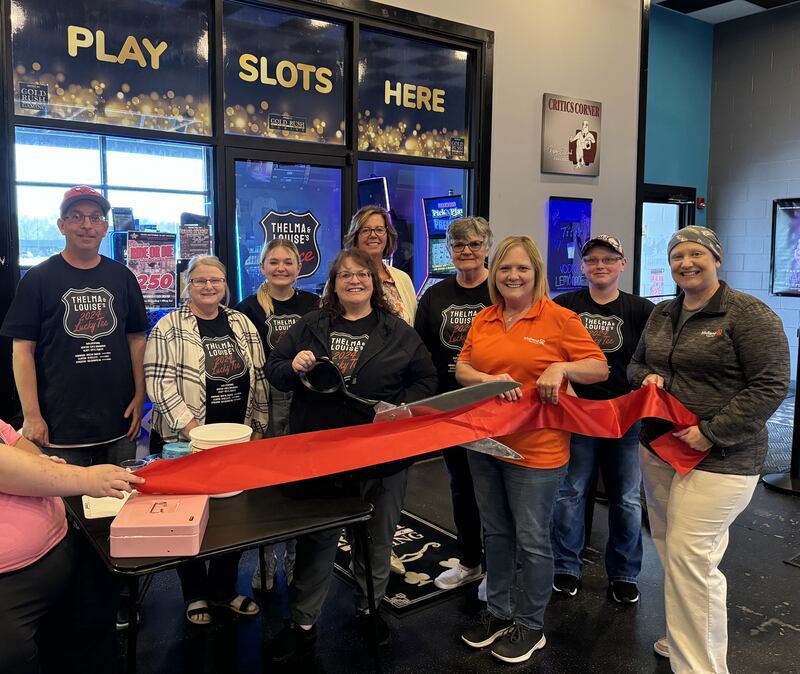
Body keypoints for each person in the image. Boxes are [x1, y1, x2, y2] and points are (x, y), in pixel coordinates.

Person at [628, 226, 789, 673]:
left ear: (716, 259)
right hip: (660, 449)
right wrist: (646, 379)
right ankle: (684, 634)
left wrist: (713, 431)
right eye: (678, 255)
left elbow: (771, 384)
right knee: (673, 550)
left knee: (689, 556)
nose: (686, 263)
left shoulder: (749, 315)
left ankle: (698, 665)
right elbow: (636, 363)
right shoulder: (663, 313)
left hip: (723, 459)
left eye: (696, 253)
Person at [265, 248, 437, 661]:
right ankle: (303, 623)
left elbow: (427, 381)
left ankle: (370, 607)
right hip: (322, 454)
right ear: (334, 283)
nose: (354, 281)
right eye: (345, 275)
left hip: (384, 454)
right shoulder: (310, 325)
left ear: (374, 283)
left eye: (362, 274)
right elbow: (274, 369)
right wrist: (295, 366)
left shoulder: (398, 331)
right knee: (318, 540)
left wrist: (396, 410)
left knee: (378, 538)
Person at [455, 235, 607, 665]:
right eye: (505, 268)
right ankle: (498, 612)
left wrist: (560, 366)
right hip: (483, 441)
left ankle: (531, 624)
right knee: (497, 533)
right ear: (495, 274)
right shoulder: (485, 318)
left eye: (522, 268)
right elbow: (463, 365)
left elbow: (599, 367)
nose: (513, 276)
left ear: (536, 273)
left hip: (536, 450)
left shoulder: (559, 319)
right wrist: (485, 380)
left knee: (534, 540)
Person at [144, 255, 268, 626]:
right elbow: (158, 382)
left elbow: (259, 377)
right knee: (188, 518)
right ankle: (195, 593)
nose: (209, 286)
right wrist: (194, 430)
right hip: (187, 442)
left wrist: (259, 425)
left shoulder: (241, 323)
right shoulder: (169, 327)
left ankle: (224, 590)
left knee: (233, 520)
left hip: (236, 439)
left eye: (216, 280)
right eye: (200, 281)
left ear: (225, 284)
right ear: (188, 285)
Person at [0, 185, 148, 466]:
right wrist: (31, 415)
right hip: (57, 428)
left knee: (121, 506)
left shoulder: (123, 277)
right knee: (62, 509)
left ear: (105, 227)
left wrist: (140, 396)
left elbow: (137, 340)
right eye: (77, 216)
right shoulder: (38, 279)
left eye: (95, 218)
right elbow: (22, 351)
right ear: (62, 225)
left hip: (119, 424)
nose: (86, 225)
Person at [550, 234, 654, 603]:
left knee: (625, 498)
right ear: (582, 266)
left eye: (609, 259)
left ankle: (625, 573)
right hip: (576, 415)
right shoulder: (564, 306)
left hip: (624, 417)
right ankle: (565, 567)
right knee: (570, 492)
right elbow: (550, 354)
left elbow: (650, 361)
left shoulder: (642, 310)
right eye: (592, 260)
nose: (600, 266)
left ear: (622, 265)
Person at [0, 418, 143, 674]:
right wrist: (86, 478)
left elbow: (14, 441)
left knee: (96, 620)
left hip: (62, 545)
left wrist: (42, 462)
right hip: (11, 583)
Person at [414, 216, 492, 597]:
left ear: (487, 248)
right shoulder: (434, 295)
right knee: (460, 486)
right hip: (450, 405)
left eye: (474, 244)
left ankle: (499, 566)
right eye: (459, 246)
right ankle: (470, 562)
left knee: (495, 488)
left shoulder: (502, 289)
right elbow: (422, 351)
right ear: (449, 250)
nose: (467, 252)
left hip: (495, 404)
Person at [235, 238, 319, 592]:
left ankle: (294, 560)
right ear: (262, 266)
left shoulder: (315, 304)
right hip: (265, 402)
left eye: (288, 262)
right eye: (274, 262)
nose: (281, 268)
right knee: (266, 484)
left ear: (299, 268)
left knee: (298, 481)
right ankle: (265, 564)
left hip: (306, 401)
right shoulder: (248, 307)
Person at [343, 205, 417, 325]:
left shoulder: (403, 279)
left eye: (379, 230)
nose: (373, 235)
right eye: (366, 230)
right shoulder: (341, 278)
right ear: (355, 237)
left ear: (388, 236)